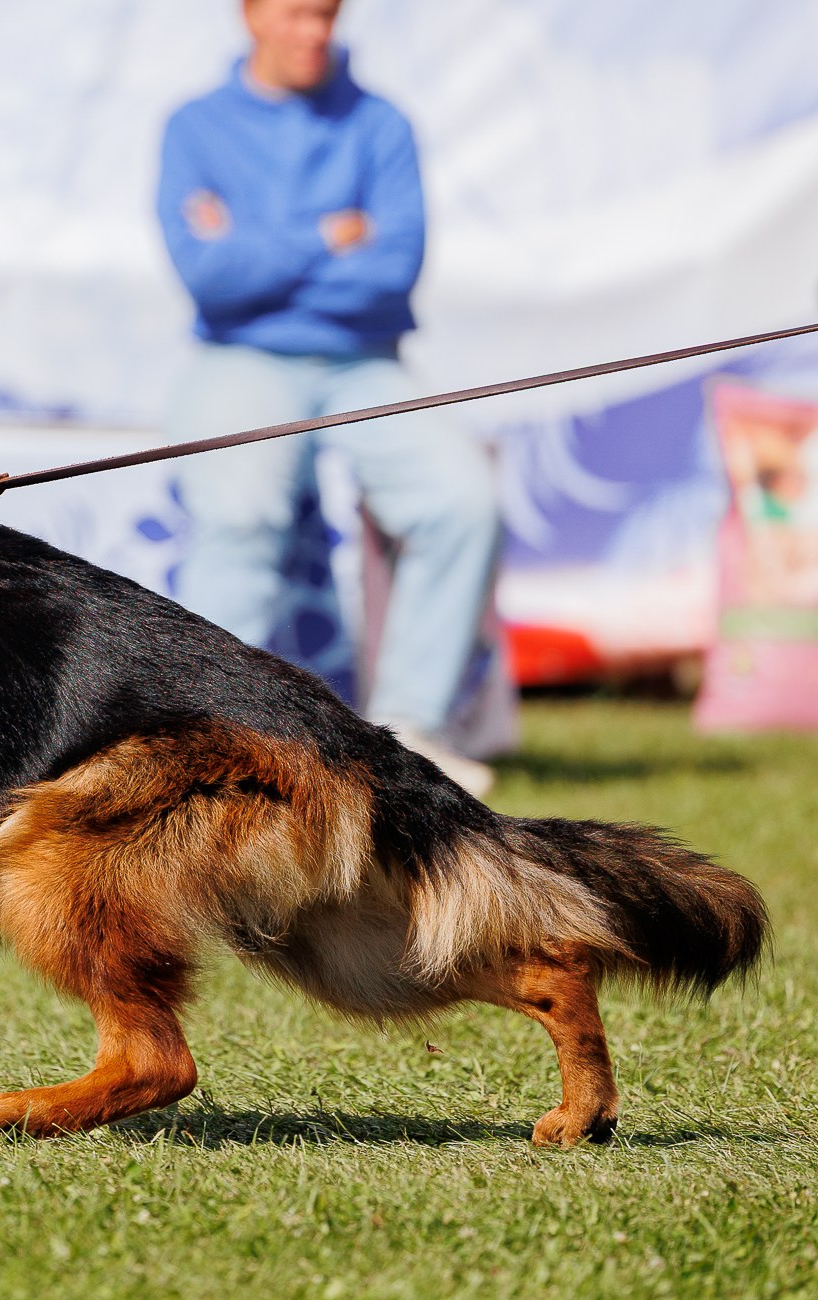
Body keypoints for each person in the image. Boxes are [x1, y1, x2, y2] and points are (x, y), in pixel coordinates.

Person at [155, 0, 499, 796]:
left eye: (327, 13)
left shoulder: (380, 124)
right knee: (242, 514)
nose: (315, 30)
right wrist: (325, 236)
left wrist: (252, 244)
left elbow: (394, 270)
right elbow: (205, 276)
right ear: (250, 15)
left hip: (365, 362)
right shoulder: (194, 126)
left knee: (463, 499)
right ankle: (207, 740)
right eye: (297, 13)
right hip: (238, 358)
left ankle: (413, 733)